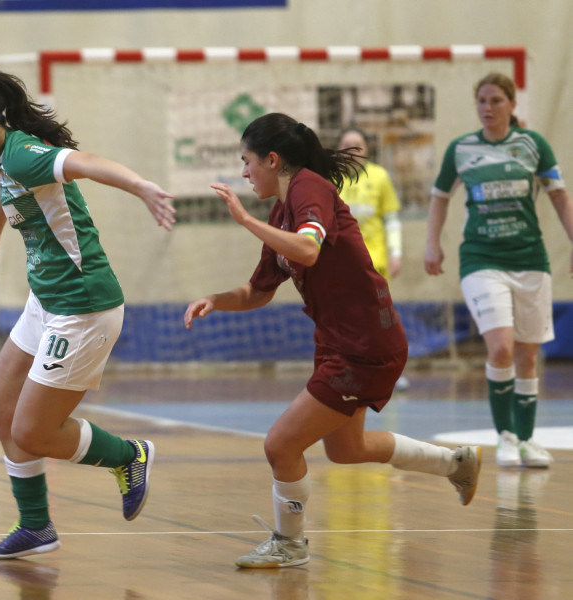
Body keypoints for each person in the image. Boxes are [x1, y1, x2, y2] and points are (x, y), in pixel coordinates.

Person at [183, 112, 481, 569]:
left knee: (280, 444)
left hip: (366, 343)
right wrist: (214, 300)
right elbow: (259, 292)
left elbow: (307, 249)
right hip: (340, 341)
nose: (244, 173)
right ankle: (455, 463)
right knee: (347, 450)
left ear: (272, 159)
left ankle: (290, 543)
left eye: (247, 162)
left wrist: (243, 220)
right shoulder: (282, 209)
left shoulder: (309, 187)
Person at [0, 71, 176, 560]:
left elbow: (83, 163)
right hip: (46, 301)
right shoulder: (4, 158)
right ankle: (35, 527)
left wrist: (140, 186)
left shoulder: (24, 152)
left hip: (82, 307)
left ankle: (129, 456)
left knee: (33, 431)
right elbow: (6, 188)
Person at [424, 72, 573, 468]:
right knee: (502, 347)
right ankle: (505, 436)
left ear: (511, 105)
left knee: (527, 356)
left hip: (530, 260)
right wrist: (431, 242)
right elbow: (439, 198)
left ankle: (526, 440)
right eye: (482, 102)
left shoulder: (532, 145)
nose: (488, 108)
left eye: (496, 101)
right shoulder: (462, 149)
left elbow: (559, 196)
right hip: (481, 259)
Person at [337, 127, 409, 390]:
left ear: (367, 149)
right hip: (341, 265)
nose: (353, 149)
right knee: (344, 320)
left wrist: (396, 253)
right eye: (347, 144)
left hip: (374, 262)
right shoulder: (330, 180)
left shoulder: (379, 177)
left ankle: (391, 370)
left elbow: (391, 219)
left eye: (358, 144)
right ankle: (347, 370)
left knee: (380, 318)